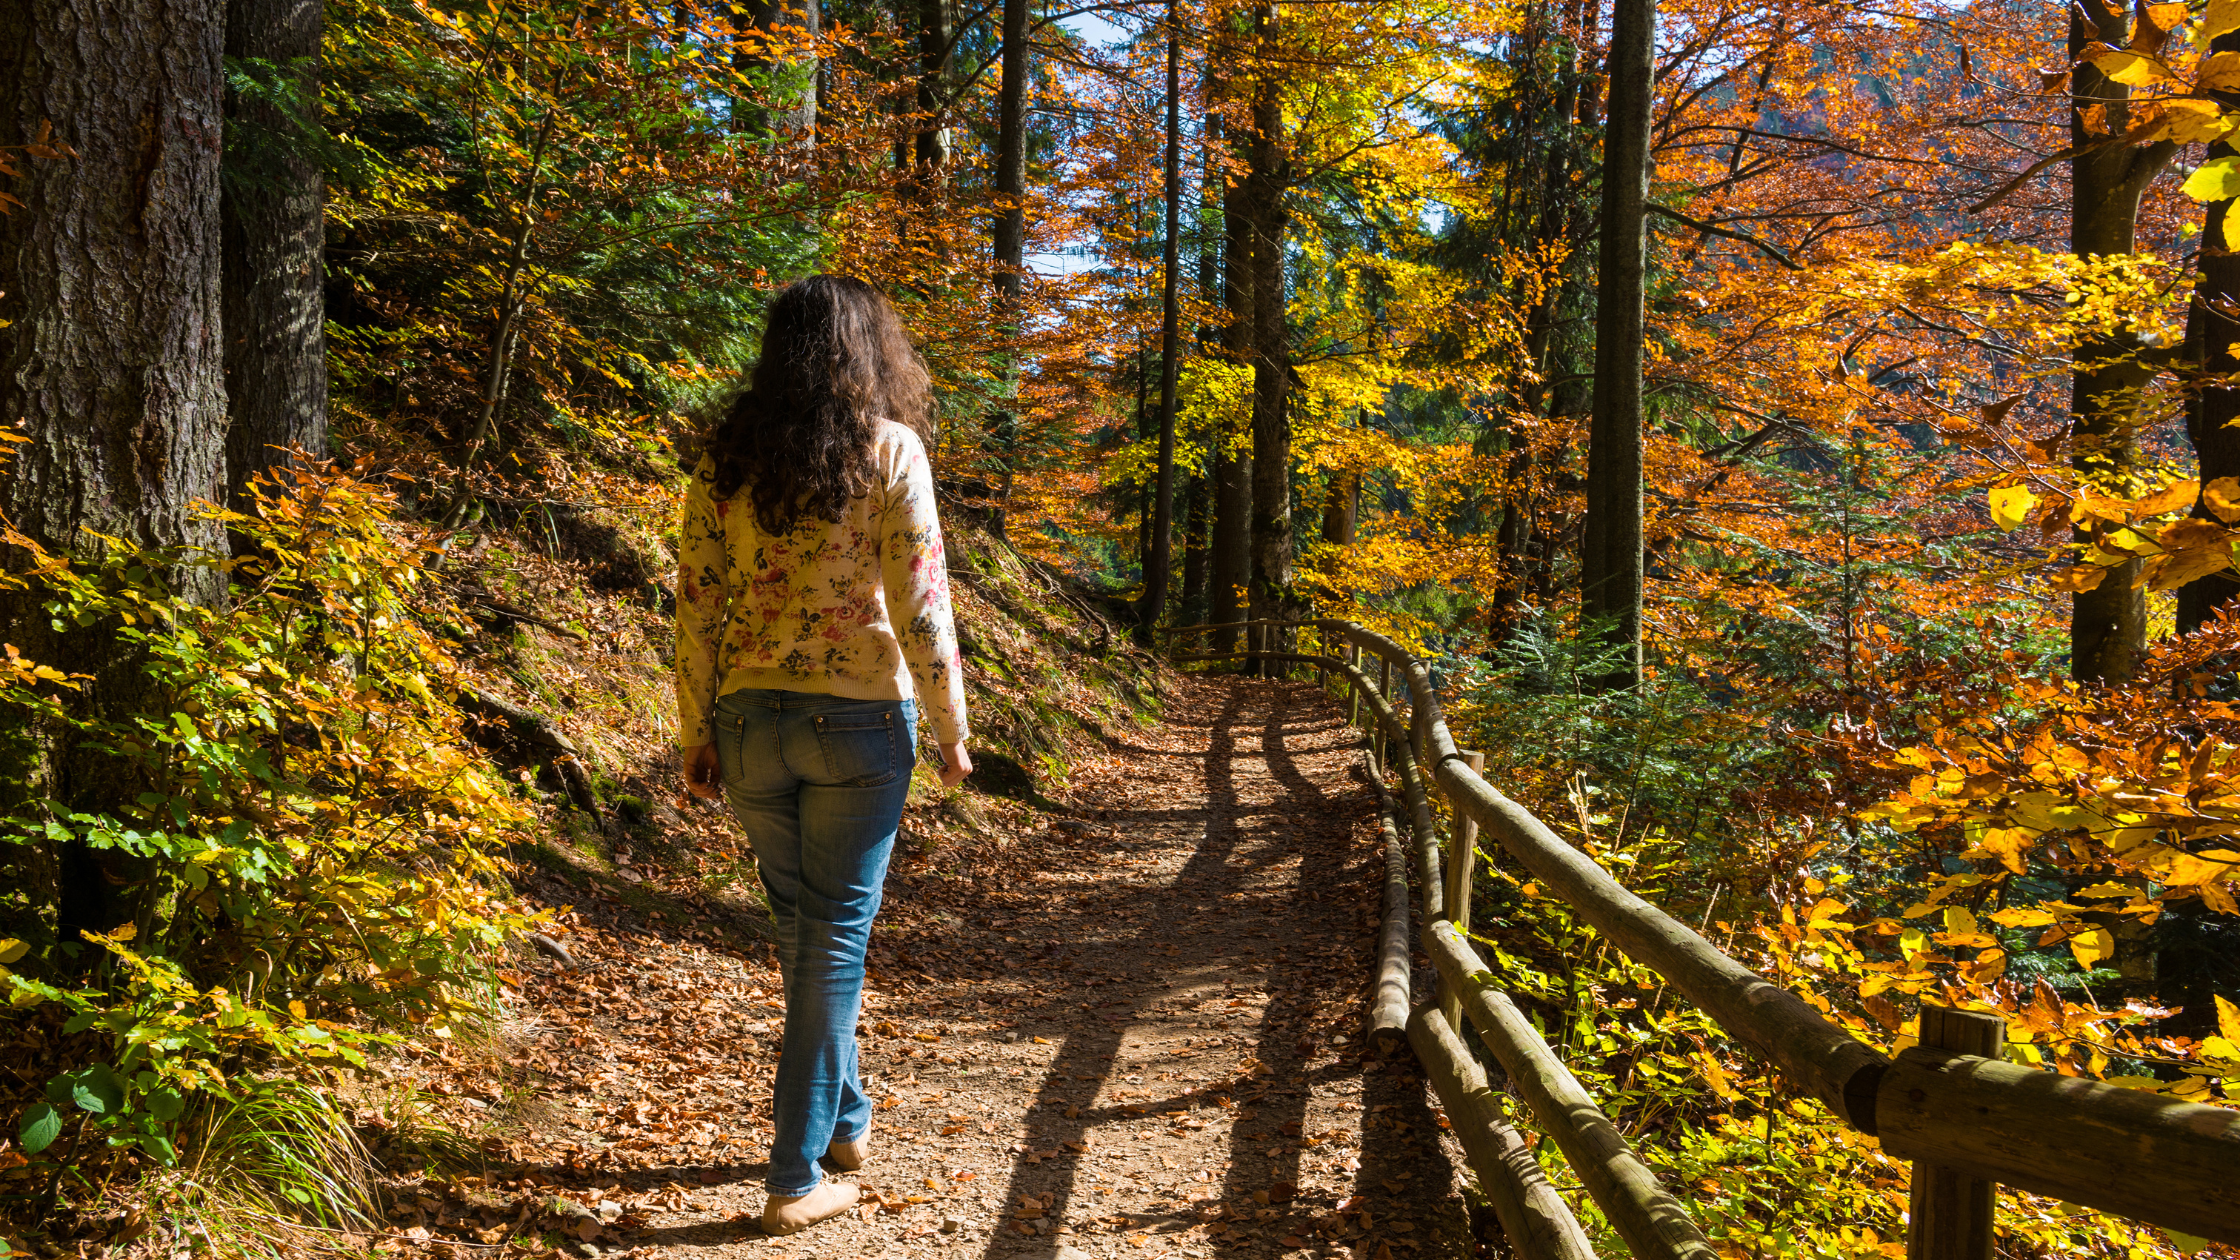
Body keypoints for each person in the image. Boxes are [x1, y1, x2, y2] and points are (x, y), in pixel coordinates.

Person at [674, 274, 973, 1236]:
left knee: (809, 934)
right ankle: (795, 1176)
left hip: (752, 725)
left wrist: (693, 728)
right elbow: (922, 598)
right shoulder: (890, 450)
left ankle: (844, 1123)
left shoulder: (728, 458)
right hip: (856, 725)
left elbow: (696, 600)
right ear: (870, 353)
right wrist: (953, 725)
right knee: (834, 938)